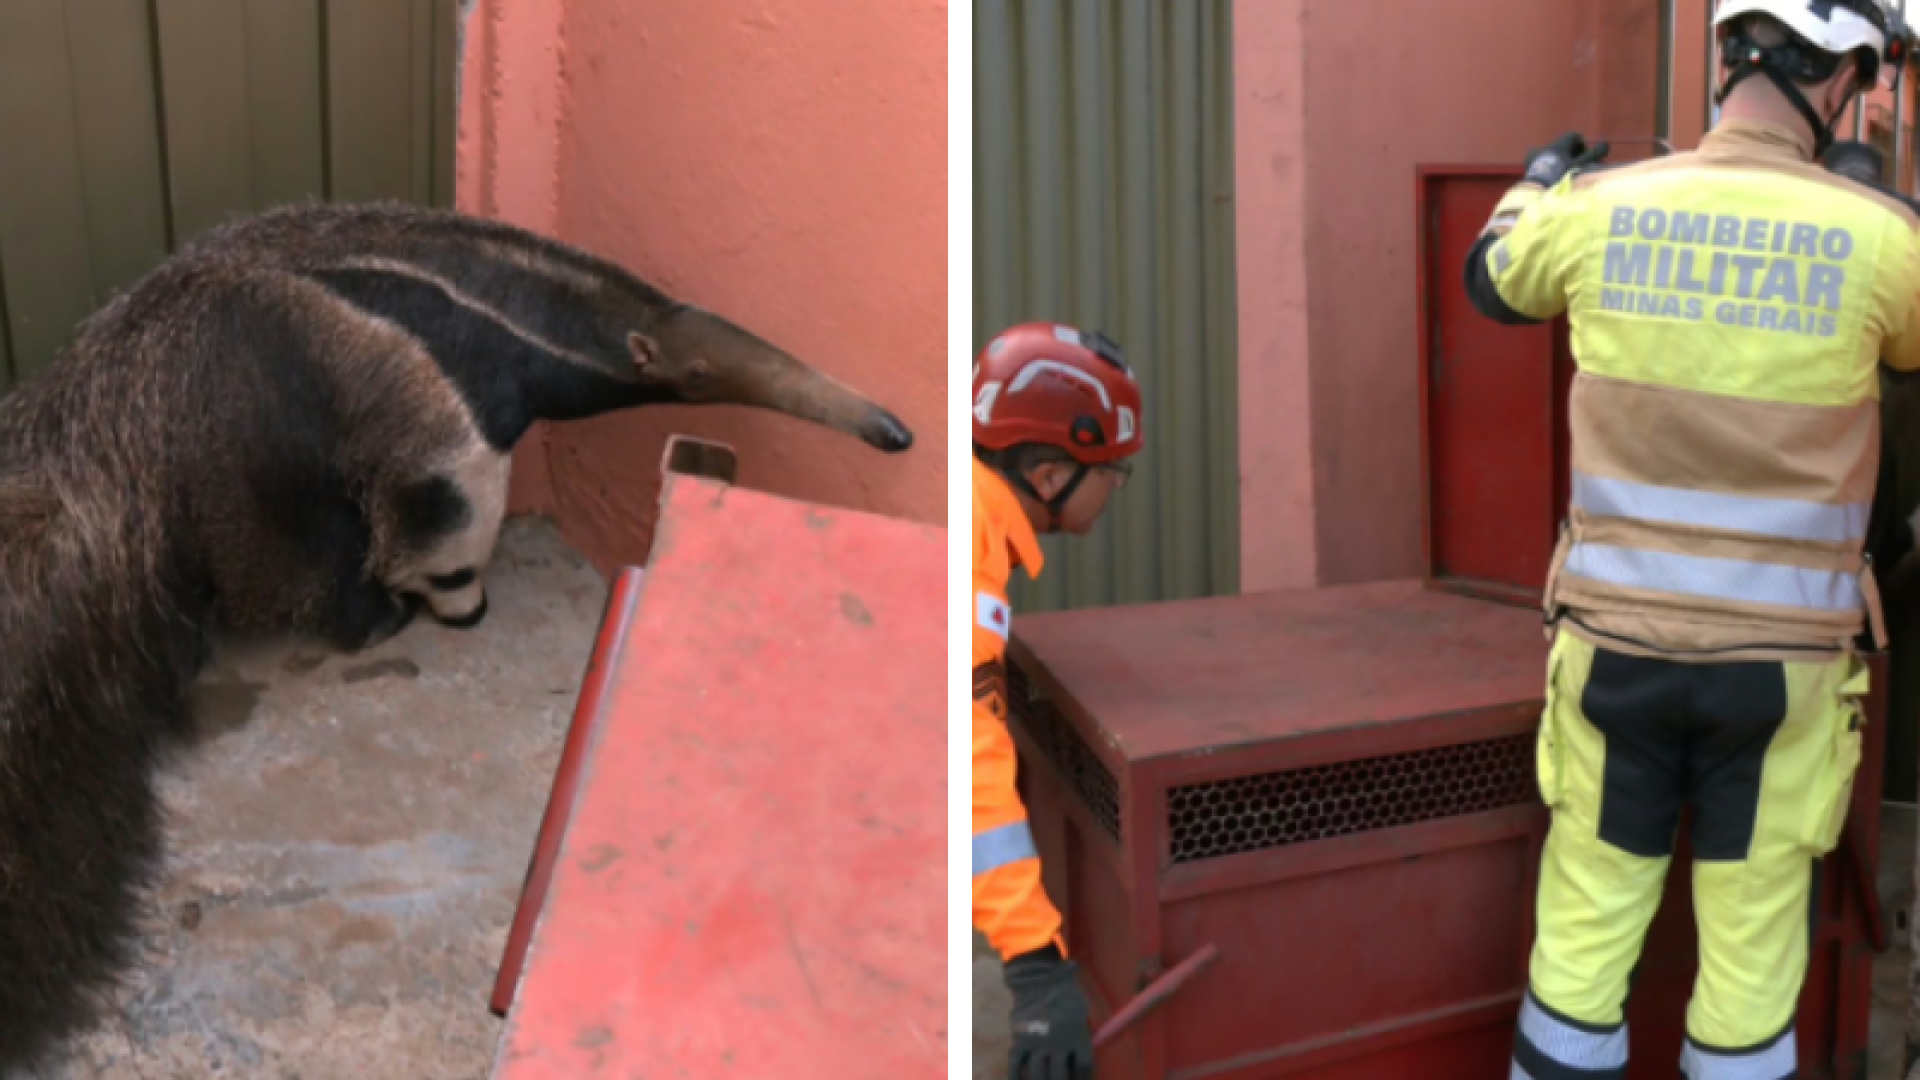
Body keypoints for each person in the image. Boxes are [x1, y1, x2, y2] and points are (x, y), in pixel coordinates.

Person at [1462, 2, 1920, 1076]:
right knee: (1751, 951)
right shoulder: (1878, 241)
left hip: (1614, 653)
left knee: (1584, 931)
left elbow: (1493, 282)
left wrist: (1537, 181)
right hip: (1779, 675)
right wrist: (1881, 205)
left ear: (1727, 62)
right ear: (1840, 81)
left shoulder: (1601, 206)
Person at [971, 321, 1144, 1080]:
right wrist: (1036, 965)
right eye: (1113, 470)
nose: (1117, 487)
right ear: (1047, 476)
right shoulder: (969, 567)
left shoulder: (973, 517)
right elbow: (968, 766)